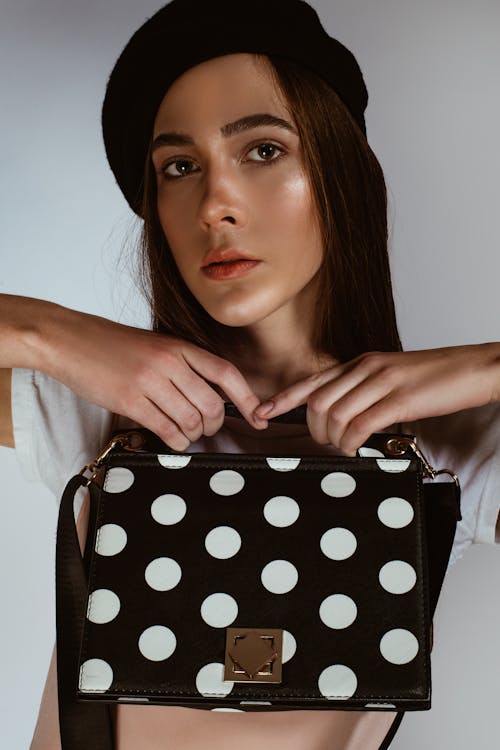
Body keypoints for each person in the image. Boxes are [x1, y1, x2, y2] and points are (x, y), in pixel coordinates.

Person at [1, 0, 499, 748]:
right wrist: (55, 335)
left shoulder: (447, 449)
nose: (216, 205)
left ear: (340, 170)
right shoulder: (104, 412)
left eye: (263, 150)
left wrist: (489, 367)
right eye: (178, 167)